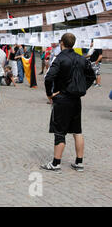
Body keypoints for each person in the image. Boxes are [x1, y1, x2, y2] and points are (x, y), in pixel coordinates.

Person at [41, 33, 95, 173]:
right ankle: (79, 162)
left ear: (62, 43)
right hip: (76, 99)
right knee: (77, 130)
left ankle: (56, 163)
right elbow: (91, 76)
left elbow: (48, 78)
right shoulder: (81, 58)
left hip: (63, 97)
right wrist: (82, 88)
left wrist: (49, 94)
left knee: (60, 131)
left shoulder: (60, 58)